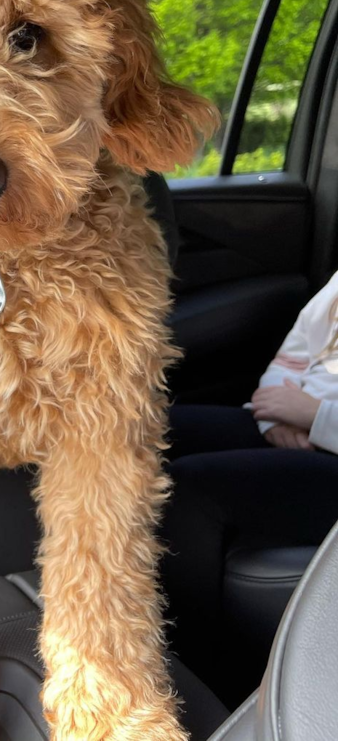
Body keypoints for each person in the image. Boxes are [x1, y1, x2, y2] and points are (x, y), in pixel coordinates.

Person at [160, 271, 338, 704]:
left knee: (193, 492)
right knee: (142, 431)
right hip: (289, 421)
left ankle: (200, 680)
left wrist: (315, 416)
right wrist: (276, 414)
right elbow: (295, 353)